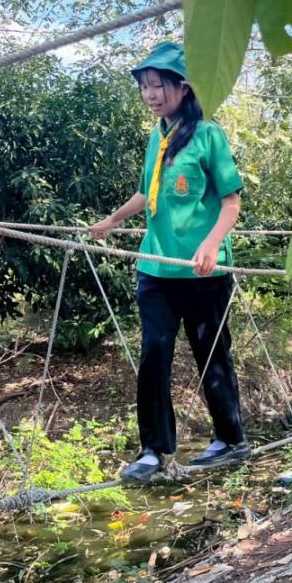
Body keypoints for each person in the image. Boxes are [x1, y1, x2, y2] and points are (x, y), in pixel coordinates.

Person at [89, 41, 248, 481]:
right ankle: (155, 450)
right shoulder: (157, 136)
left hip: (203, 270)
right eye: (144, 86)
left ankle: (230, 439)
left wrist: (212, 244)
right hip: (156, 268)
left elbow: (231, 202)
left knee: (211, 353)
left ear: (184, 86)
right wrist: (113, 220)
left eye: (157, 85)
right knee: (154, 353)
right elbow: (148, 192)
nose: (150, 94)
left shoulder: (209, 135)